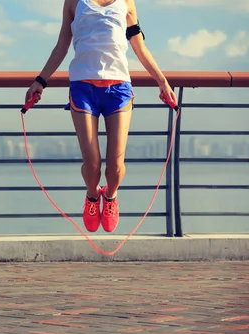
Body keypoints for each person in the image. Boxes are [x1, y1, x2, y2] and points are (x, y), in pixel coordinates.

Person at [25, 0, 177, 233]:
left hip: (119, 89)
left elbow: (139, 47)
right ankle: (93, 197)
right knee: (93, 165)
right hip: (83, 88)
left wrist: (162, 82)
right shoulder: (73, 2)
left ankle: (111, 196)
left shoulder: (126, 3)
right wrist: (41, 81)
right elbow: (61, 47)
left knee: (115, 166)